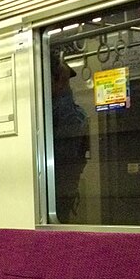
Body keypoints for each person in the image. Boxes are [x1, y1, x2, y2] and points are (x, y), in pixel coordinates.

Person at [50, 51, 90, 223]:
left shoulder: (71, 115)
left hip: (60, 190)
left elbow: (65, 152)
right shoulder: (70, 113)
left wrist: (63, 85)